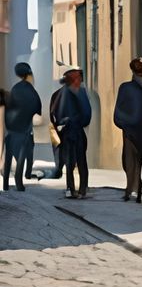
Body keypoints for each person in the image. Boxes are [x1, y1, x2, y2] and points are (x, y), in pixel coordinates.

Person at [114, 57, 142, 201]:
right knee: (140, 159)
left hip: (131, 130)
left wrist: (124, 123)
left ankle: (133, 189)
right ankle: (137, 188)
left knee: (130, 161)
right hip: (140, 130)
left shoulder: (127, 88)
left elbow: (118, 111)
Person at [53, 66, 91, 198]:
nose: (80, 80)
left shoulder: (62, 94)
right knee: (78, 161)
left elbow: (56, 113)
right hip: (74, 132)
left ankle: (74, 188)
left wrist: (63, 123)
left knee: (72, 161)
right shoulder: (79, 93)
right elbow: (87, 114)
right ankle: (80, 189)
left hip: (69, 132)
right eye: (78, 78)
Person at [3, 62, 41, 189]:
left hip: (11, 130)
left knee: (9, 158)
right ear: (29, 75)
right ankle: (20, 182)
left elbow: (9, 106)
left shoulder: (14, 89)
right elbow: (37, 110)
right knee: (23, 157)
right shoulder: (32, 91)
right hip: (24, 130)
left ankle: (6, 184)